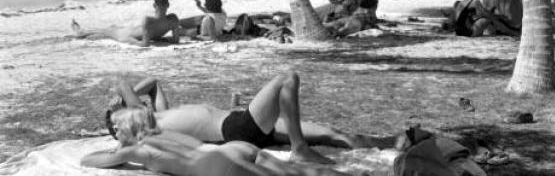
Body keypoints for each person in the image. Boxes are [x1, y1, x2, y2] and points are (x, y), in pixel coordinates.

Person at [103, 73, 396, 163]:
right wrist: (118, 105)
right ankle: (299, 150)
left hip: (243, 122)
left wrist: (135, 100)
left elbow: (153, 82)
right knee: (287, 80)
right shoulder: (142, 121)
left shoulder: (158, 114)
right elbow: (122, 84)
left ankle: (390, 142)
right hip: (237, 128)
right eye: (121, 113)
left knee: (329, 133)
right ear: (122, 120)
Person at [83, 105, 354, 176]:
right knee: (297, 172)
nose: (114, 132)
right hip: (233, 149)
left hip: (219, 164)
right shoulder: (162, 133)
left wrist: (119, 148)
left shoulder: (138, 149)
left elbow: (90, 160)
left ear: (129, 129)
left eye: (117, 127)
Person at [71, 0, 179, 47]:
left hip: (130, 33)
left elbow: (144, 44)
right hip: (126, 35)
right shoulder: (173, 19)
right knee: (99, 32)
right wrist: (159, 39)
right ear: (168, 5)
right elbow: (175, 41)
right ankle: (78, 30)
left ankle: (78, 28)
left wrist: (157, 39)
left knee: (105, 32)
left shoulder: (149, 20)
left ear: (154, 5)